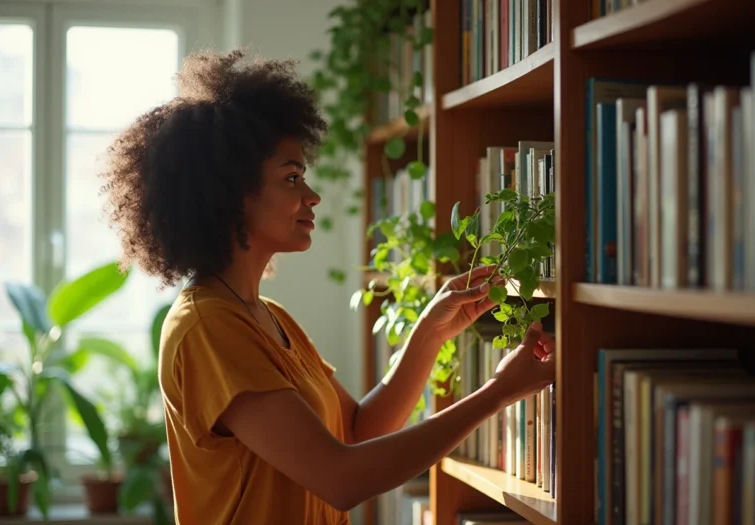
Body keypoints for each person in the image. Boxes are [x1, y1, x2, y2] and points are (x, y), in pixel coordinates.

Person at [100, 49, 556, 525]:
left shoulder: (268, 316)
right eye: (291, 177)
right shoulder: (207, 327)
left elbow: (358, 430)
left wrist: (429, 333)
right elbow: (343, 479)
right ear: (230, 195)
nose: (311, 195)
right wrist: (497, 393)